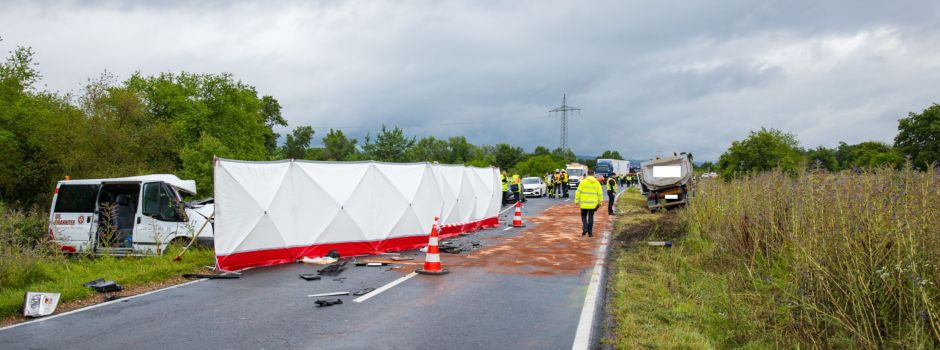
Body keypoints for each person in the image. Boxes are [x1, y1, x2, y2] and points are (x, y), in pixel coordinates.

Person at [574, 169, 603, 237]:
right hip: (593, 204)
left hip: (584, 203)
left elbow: (578, 192)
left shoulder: (583, 182)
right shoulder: (597, 182)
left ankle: (585, 228)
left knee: (583, 216)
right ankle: (590, 233)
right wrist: (600, 202)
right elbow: (600, 193)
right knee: (591, 217)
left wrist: (576, 201)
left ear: (587, 174)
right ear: (593, 174)